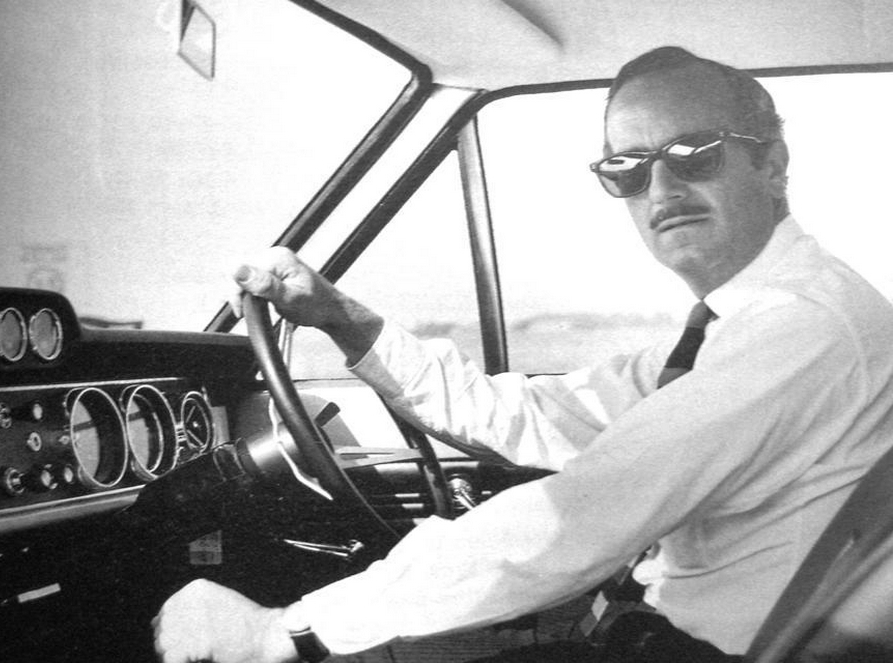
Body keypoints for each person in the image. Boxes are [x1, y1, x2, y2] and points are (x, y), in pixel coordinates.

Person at [152, 46, 893, 662]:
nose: (661, 188)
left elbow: (580, 516)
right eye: (628, 168)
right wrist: (340, 318)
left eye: (693, 154)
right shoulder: (739, 326)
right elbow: (538, 415)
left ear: (771, 165)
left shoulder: (800, 327)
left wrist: (283, 630)